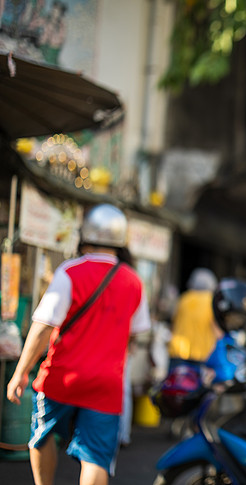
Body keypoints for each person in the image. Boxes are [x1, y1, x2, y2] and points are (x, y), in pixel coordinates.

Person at [6, 203, 150, 485]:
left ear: (85, 235)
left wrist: (20, 372)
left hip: (63, 376)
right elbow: (137, 331)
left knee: (42, 434)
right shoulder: (134, 281)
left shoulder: (70, 272)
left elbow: (42, 327)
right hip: (107, 384)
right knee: (95, 457)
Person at [168, 267, 218, 370]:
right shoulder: (212, 301)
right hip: (201, 354)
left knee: (175, 384)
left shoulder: (184, 298)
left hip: (177, 351)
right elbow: (217, 330)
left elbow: (173, 322)